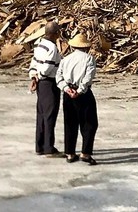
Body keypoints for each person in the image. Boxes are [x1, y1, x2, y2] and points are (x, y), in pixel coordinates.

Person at [56, 33, 98, 165]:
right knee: (89, 123)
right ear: (86, 47)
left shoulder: (65, 59)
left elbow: (59, 77)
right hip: (83, 94)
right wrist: (79, 91)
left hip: (68, 93)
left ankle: (70, 153)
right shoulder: (89, 59)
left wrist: (66, 89)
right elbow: (88, 77)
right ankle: (85, 153)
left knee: (70, 123)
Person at [28, 21, 63, 157]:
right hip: (49, 82)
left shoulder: (39, 44)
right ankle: (48, 146)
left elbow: (34, 62)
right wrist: (41, 76)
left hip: (41, 83)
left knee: (41, 114)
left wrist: (34, 77)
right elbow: (47, 68)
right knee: (49, 114)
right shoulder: (52, 48)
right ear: (55, 34)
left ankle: (39, 145)